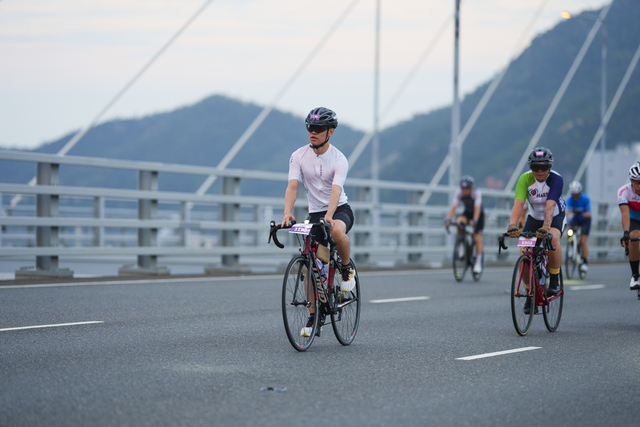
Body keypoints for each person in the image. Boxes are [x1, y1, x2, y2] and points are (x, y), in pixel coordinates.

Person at [280, 107, 356, 337]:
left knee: (336, 231)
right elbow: (292, 186)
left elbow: (336, 190)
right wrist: (287, 212)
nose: (312, 132)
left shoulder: (339, 159)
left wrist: (330, 215)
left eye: (318, 128)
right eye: (310, 127)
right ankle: (314, 316)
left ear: (330, 131)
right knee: (312, 262)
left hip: (339, 209)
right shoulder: (298, 155)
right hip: (315, 213)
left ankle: (346, 268)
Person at [506, 147, 566, 314]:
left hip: (555, 216)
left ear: (550, 167)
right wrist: (512, 225)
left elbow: (550, 204)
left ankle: (554, 280)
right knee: (524, 254)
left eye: (544, 167)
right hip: (533, 219)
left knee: (553, 238)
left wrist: (546, 226)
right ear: (530, 167)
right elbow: (519, 203)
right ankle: (530, 294)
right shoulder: (524, 179)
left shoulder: (556, 179)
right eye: (535, 167)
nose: (540, 171)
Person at [445, 175, 484, 273]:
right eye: (462, 188)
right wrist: (449, 219)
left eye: (466, 188)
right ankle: (461, 242)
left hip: (478, 215)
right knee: (459, 221)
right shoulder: (458, 193)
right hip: (467, 213)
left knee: (477, 238)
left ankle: (478, 263)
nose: (464, 190)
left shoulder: (476, 193)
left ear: (471, 188)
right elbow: (454, 206)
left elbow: (477, 208)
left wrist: (475, 220)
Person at [618, 162, 640, 290]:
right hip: (634, 219)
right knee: (634, 237)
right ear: (631, 181)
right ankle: (635, 276)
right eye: (637, 183)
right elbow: (625, 214)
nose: (639, 186)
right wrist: (626, 233)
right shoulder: (624, 191)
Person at [566, 180, 591, 274]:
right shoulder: (570, 199)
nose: (575, 196)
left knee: (583, 241)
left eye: (577, 194)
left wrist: (579, 213)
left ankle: (584, 261)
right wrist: (564, 220)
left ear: (580, 193)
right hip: (576, 219)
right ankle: (571, 246)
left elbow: (588, 214)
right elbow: (567, 210)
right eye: (573, 195)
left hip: (585, 220)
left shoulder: (585, 198)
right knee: (569, 230)